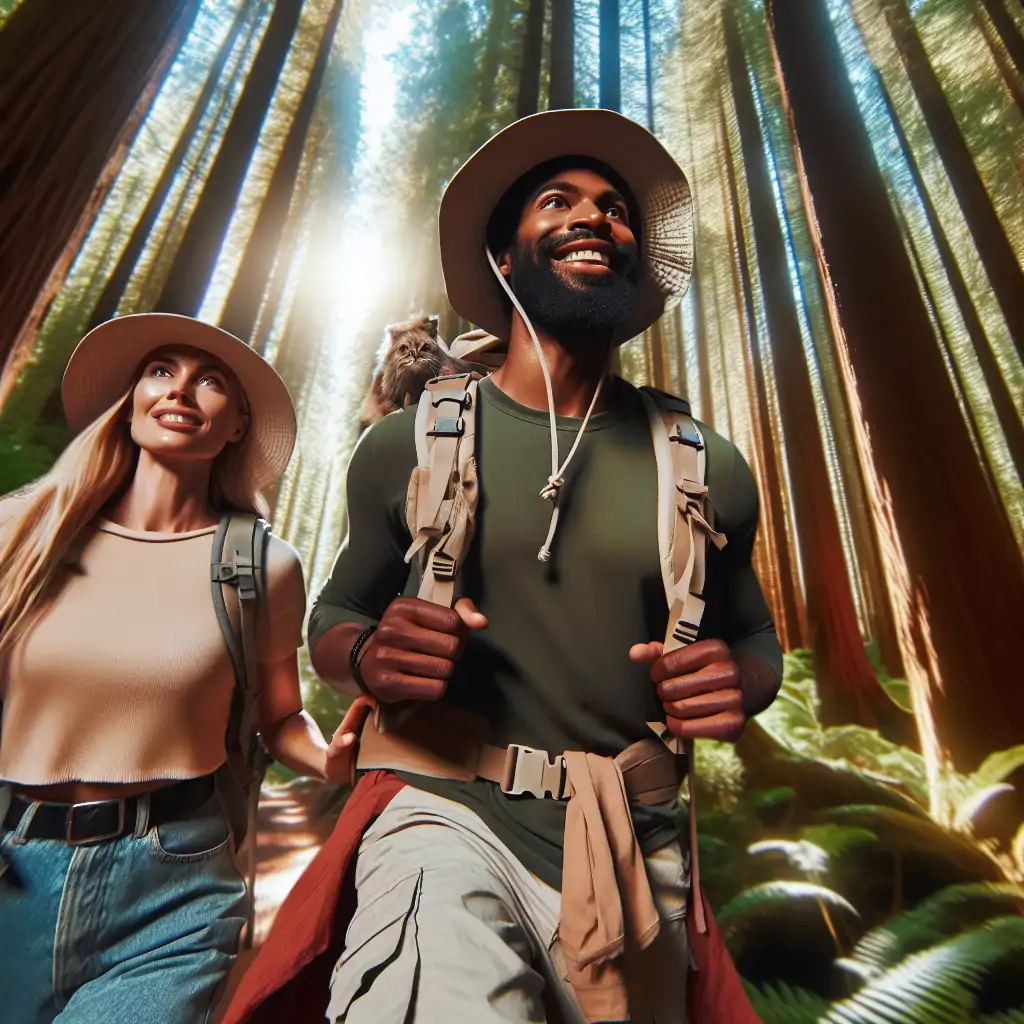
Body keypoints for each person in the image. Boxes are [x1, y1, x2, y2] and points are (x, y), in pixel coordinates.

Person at [224, 109, 783, 1024]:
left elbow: (755, 636)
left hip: (633, 847)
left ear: (634, 261)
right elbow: (335, 615)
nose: (594, 217)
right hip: (444, 814)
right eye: (558, 201)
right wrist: (368, 656)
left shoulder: (707, 465)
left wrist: (742, 679)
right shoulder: (406, 444)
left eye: (614, 210)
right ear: (503, 259)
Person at [0, 313, 359, 1024]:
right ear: (131, 399)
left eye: (210, 381)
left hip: (174, 889)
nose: (180, 390)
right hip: (11, 868)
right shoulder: (21, 529)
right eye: (161, 371)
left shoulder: (262, 566)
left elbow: (280, 717)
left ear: (237, 426)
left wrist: (329, 760)